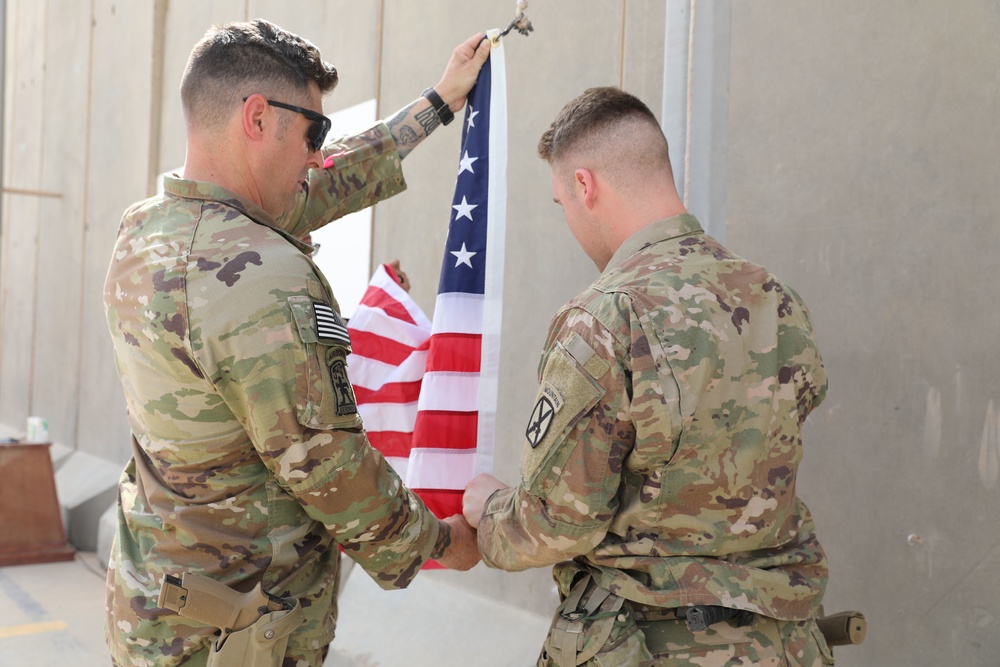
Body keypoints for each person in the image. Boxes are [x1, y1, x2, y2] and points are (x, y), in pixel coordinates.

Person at [103, 19, 488, 667]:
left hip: (165, 601)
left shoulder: (152, 229)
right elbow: (332, 471)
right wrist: (443, 540)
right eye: (315, 132)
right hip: (234, 629)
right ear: (257, 117)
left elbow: (323, 184)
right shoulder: (260, 277)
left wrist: (438, 105)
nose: (316, 154)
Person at [463, 87, 835, 666]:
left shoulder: (607, 315)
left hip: (650, 643)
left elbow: (556, 525)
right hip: (784, 645)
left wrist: (486, 510)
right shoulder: (776, 300)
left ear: (584, 186)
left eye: (561, 202)